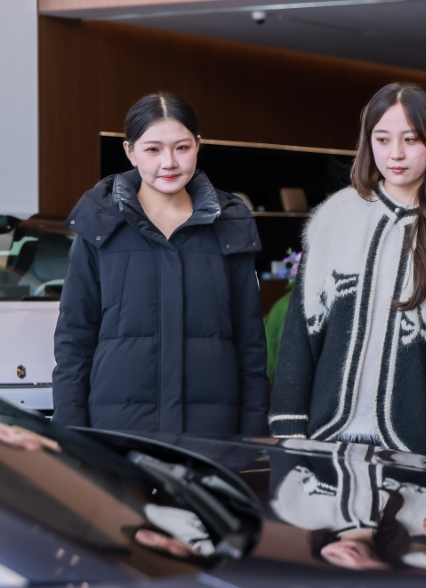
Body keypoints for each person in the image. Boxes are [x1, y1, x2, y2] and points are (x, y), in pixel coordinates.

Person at [269, 82, 426, 465]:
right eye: (383, 139)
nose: (396, 153)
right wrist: (288, 427)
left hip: (416, 446)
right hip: (325, 438)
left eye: (411, 139)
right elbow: (301, 332)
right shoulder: (334, 216)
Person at [52, 93, 270, 435]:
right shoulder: (99, 225)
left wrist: (255, 430)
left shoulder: (230, 225)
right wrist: (70, 431)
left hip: (212, 431)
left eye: (182, 147)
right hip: (119, 431)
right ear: (130, 151)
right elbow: (74, 339)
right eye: (153, 149)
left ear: (198, 145)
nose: (169, 162)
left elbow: (250, 341)